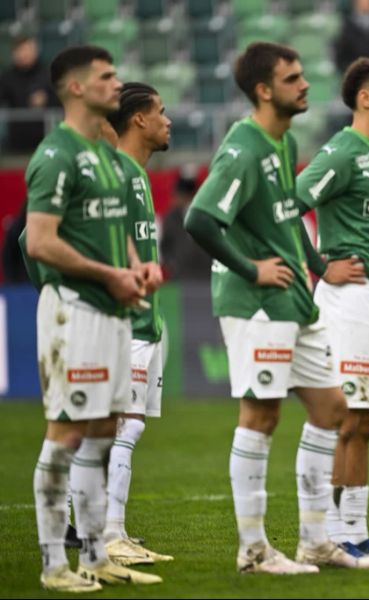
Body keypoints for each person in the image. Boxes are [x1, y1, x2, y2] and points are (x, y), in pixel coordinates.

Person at [184, 42, 369, 574]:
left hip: (293, 298)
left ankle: (315, 541)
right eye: (293, 78)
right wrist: (251, 268)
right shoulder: (244, 147)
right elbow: (200, 218)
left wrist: (313, 264)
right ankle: (252, 550)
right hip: (256, 301)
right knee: (261, 414)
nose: (305, 85)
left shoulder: (282, 142)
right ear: (264, 90)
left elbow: (287, 215)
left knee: (331, 408)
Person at [24, 45, 163, 592]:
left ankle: (95, 551)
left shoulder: (110, 161)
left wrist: (133, 268)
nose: (116, 83)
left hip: (113, 309)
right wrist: (105, 276)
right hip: (74, 312)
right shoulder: (57, 154)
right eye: (107, 77)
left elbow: (117, 234)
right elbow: (37, 240)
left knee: (105, 427)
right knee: (66, 431)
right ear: (76, 87)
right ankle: (54, 563)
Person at [295, 57, 369, 562]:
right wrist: (320, 264)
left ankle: (356, 533)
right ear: (365, 98)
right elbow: (288, 205)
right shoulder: (343, 150)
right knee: (345, 418)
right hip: (349, 302)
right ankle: (329, 534)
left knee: (366, 421)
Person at [96, 81, 174, 566]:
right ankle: (108, 533)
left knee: (126, 424)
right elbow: (35, 238)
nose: (168, 120)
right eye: (161, 112)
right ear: (139, 120)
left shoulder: (138, 176)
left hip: (147, 322)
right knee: (123, 426)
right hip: (124, 324)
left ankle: (105, 527)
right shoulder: (116, 174)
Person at [0, 35, 59, 153]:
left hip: (44, 139)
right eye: (21, 50)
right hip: (16, 141)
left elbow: (61, 102)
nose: (25, 54)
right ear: (14, 53)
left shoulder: (48, 74)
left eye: (28, 49)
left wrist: (46, 100)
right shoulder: (7, 78)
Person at [159, 170, 212, 280]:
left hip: (206, 275)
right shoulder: (171, 217)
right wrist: (172, 264)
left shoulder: (207, 214)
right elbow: (165, 245)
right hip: (181, 275)